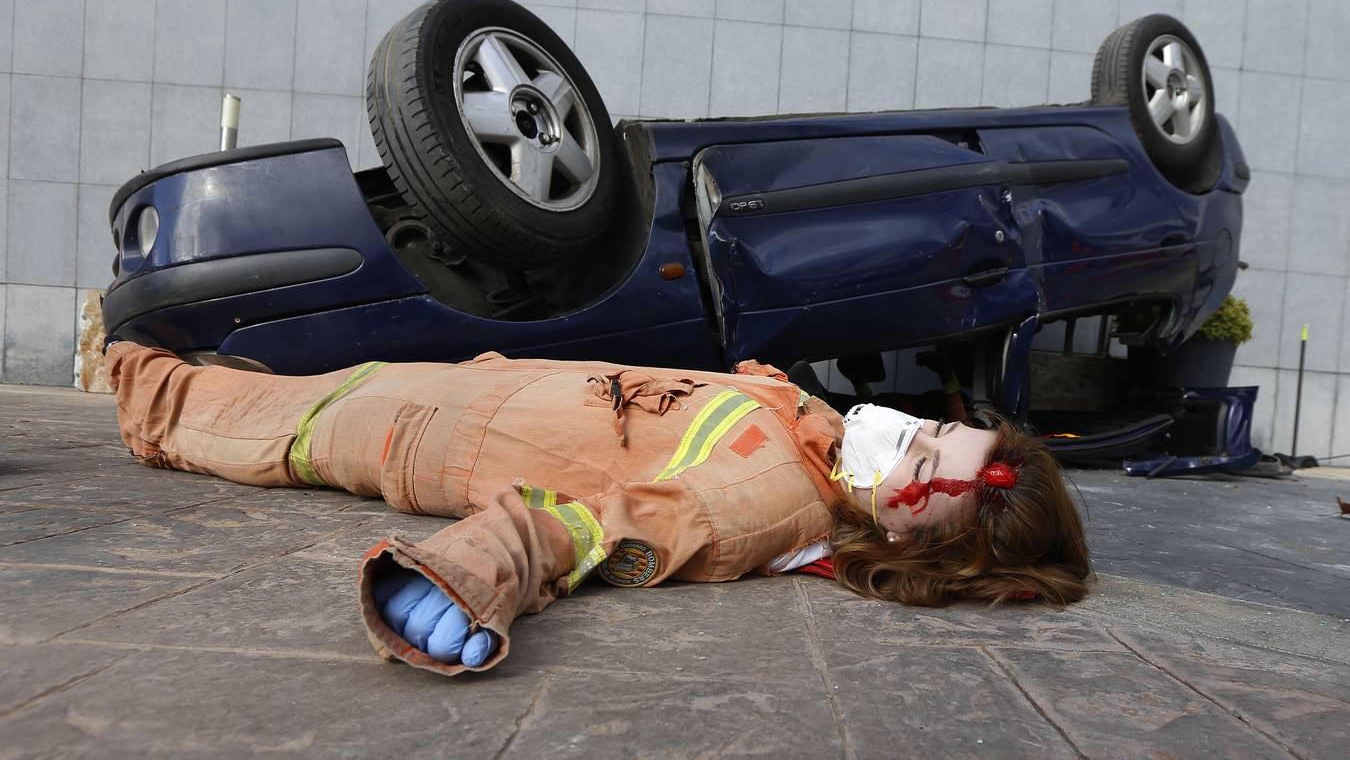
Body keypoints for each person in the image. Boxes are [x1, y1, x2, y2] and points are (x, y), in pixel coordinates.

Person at [106, 341, 1091, 678]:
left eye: (918, 466)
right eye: (928, 430)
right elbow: (753, 401)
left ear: (905, 544)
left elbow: (615, 524)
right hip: (466, 382)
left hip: (391, 429)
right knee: (242, 380)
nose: (902, 434)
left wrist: (483, 567)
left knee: (175, 403)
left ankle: (131, 357)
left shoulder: (768, 503)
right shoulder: (820, 435)